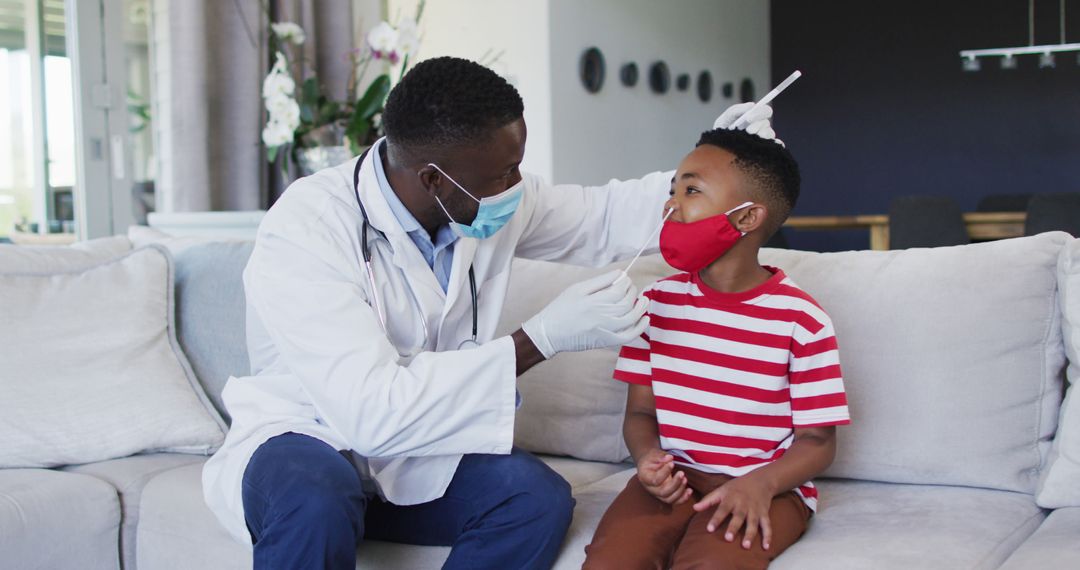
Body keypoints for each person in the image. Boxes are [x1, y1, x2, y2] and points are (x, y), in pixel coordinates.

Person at [201, 56, 779, 569]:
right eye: (504, 173)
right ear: (433, 177)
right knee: (316, 498)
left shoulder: (482, 199)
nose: (518, 184)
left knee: (534, 499)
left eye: (519, 165)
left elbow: (604, 216)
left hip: (414, 451)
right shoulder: (305, 229)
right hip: (306, 438)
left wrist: (717, 166)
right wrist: (543, 338)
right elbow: (368, 414)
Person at [583, 128, 851, 569]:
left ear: (747, 218)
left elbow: (818, 442)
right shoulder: (655, 304)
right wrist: (648, 458)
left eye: (691, 190)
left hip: (765, 489)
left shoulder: (802, 320)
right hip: (673, 482)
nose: (671, 203)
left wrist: (761, 485)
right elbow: (640, 414)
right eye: (673, 190)